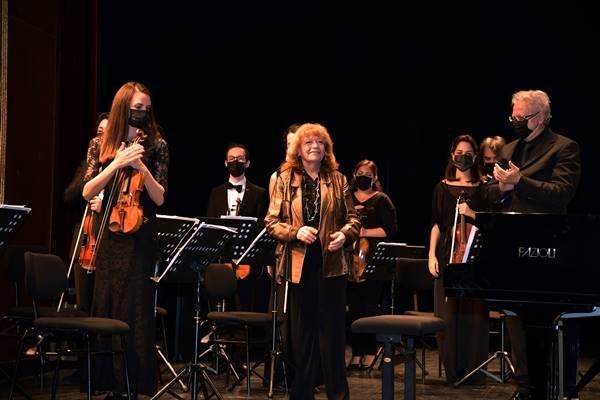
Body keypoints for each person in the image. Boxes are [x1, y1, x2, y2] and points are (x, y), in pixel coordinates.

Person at [489, 89, 581, 400]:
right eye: (512, 116)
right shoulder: (511, 148)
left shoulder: (564, 147)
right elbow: (491, 196)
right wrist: (500, 189)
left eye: (520, 117)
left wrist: (520, 182)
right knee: (516, 317)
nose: (514, 121)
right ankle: (525, 385)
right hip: (513, 245)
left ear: (539, 118)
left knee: (548, 320)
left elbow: (562, 193)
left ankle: (557, 386)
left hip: (549, 248)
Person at [82, 81, 169, 398]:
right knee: (107, 305)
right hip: (108, 236)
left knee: (135, 309)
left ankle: (133, 385)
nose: (141, 112)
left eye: (146, 107)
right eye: (136, 107)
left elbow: (159, 198)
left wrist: (141, 166)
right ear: (123, 107)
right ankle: (108, 383)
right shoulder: (100, 144)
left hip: (140, 238)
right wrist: (117, 163)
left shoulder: (157, 144)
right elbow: (87, 191)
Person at [265, 122, 361, 400]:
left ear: (326, 148)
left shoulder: (339, 179)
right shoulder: (284, 179)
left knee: (332, 335)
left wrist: (344, 234)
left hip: (332, 264)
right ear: (298, 149)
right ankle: (302, 394)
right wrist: (296, 231)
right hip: (299, 265)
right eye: (308, 142)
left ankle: (338, 395)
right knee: (303, 337)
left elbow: (354, 220)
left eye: (320, 142)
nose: (315, 146)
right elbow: (271, 222)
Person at [428, 134, 489, 385]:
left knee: (474, 315)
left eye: (468, 152)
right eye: (459, 151)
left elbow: (492, 221)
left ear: (475, 156)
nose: (463, 156)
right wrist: (431, 255)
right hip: (448, 256)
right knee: (449, 315)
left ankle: (475, 372)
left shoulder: (485, 187)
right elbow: (436, 224)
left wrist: (472, 213)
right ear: (452, 154)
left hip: (476, 257)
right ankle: (453, 372)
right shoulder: (441, 187)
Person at [346, 159, 397, 371]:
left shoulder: (381, 200)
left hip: (373, 261)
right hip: (349, 260)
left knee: (369, 309)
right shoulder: (346, 198)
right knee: (353, 310)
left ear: (375, 178)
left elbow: (390, 230)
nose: (363, 176)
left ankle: (370, 350)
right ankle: (356, 353)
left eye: (368, 173)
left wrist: (365, 232)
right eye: (359, 172)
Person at [206, 143, 270, 311]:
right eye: (232, 159)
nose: (236, 161)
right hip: (223, 254)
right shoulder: (216, 192)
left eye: (240, 159)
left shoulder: (259, 192)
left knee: (246, 299)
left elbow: (264, 223)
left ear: (247, 163)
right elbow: (210, 223)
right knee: (222, 295)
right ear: (225, 163)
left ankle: (244, 331)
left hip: (247, 256)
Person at [63, 112, 109, 315]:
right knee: (82, 306)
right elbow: (69, 197)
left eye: (106, 133)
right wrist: (90, 177)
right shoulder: (87, 166)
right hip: (83, 242)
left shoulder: (118, 167)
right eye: (99, 133)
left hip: (108, 241)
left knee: (102, 307)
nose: (100, 139)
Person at [269, 123, 301, 196]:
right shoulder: (277, 177)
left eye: (297, 144)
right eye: (289, 144)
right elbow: (274, 207)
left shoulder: (323, 176)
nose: (293, 148)